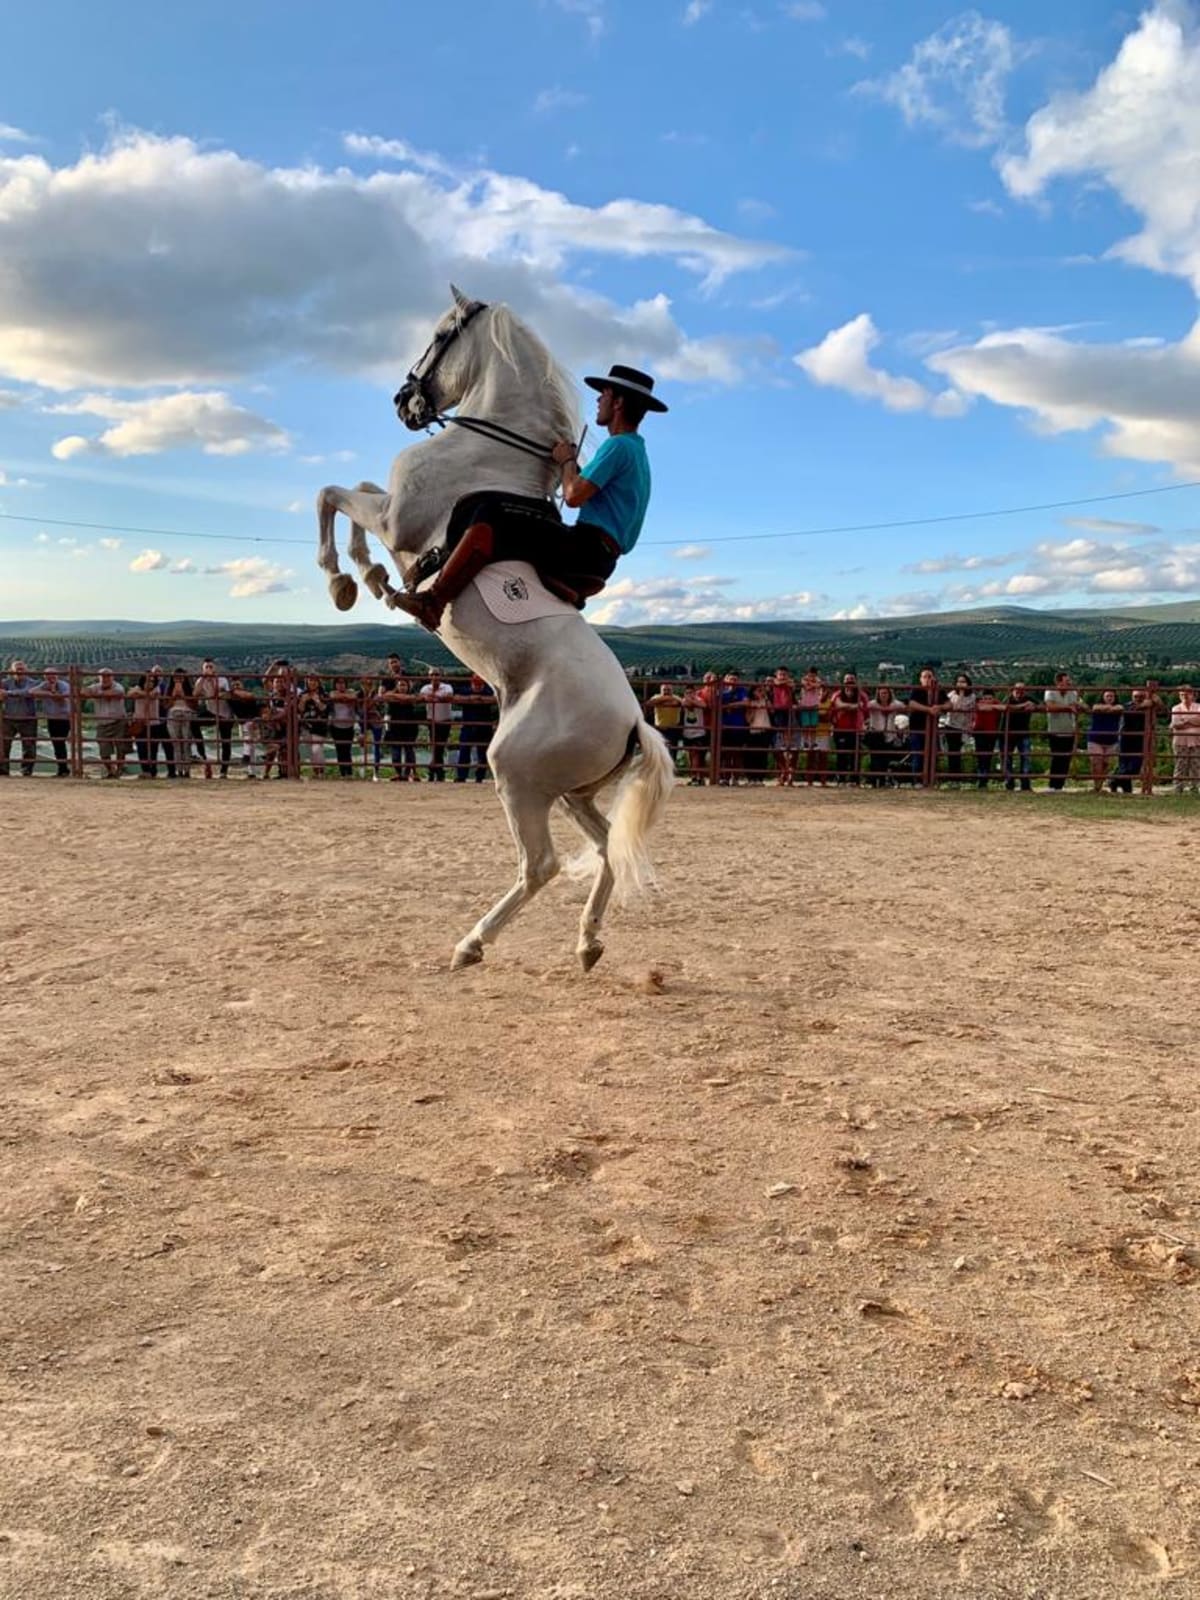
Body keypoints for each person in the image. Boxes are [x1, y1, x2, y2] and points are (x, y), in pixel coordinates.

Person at [391, 363, 667, 631]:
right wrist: (569, 468)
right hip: (601, 558)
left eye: (604, 394)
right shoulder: (636, 451)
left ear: (618, 403)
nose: (598, 399)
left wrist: (567, 460)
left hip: (585, 549)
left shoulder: (617, 446)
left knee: (490, 510)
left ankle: (433, 601)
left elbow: (573, 496)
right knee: (530, 513)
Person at [83, 668, 130, 779]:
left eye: (107, 676)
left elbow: (116, 693)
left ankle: (119, 770)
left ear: (112, 677)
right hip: (102, 722)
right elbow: (83, 692)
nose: (105, 678)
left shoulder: (118, 686)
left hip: (118, 721)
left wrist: (96, 694)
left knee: (121, 748)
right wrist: (96, 693)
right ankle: (110, 770)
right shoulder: (96, 686)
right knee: (103, 750)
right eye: (103, 676)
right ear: (99, 677)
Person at [906, 668, 948, 785]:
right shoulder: (917, 690)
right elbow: (911, 703)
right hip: (917, 728)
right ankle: (918, 780)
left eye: (930, 676)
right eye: (925, 676)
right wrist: (929, 710)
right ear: (920, 679)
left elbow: (950, 704)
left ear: (934, 678)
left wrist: (939, 707)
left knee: (933, 755)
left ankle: (931, 780)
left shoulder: (938, 691)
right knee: (918, 754)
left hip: (933, 729)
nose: (928, 679)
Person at [0, 659, 40, 777]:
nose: (19, 671)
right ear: (11, 671)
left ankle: (26, 771)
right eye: (16, 669)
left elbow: (28, 692)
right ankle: (3, 770)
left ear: (26, 670)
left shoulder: (32, 682)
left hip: (27, 718)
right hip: (8, 718)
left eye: (21, 669)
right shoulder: (5, 683)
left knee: (29, 746)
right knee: (4, 745)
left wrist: (8, 693)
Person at [454, 674, 497, 782]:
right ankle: (461, 776)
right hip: (468, 726)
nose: (477, 687)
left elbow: (495, 699)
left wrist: (480, 699)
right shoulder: (466, 690)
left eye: (479, 684)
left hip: (484, 726)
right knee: (464, 751)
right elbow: (455, 698)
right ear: (471, 683)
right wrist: (470, 698)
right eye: (475, 684)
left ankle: (480, 776)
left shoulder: (488, 690)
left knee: (482, 753)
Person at [830, 671, 868, 785]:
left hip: (856, 729)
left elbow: (864, 709)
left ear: (855, 681)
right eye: (847, 679)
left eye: (851, 679)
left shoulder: (862, 695)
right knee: (841, 754)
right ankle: (841, 778)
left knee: (855, 754)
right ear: (843, 681)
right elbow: (838, 704)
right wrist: (854, 706)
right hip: (840, 729)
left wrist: (847, 706)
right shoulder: (837, 694)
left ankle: (854, 779)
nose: (849, 681)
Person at [1044, 672, 1081, 791]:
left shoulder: (1073, 693)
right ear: (1058, 682)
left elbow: (1078, 704)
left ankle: (1059, 785)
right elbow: (1050, 707)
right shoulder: (1050, 692)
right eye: (1067, 681)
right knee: (1056, 758)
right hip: (1055, 731)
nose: (1069, 683)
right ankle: (1052, 785)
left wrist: (1082, 707)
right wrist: (1068, 707)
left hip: (1069, 730)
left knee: (1066, 759)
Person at [1110, 687, 1150, 795]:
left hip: (1141, 739)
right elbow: (1130, 711)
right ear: (1132, 697)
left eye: (1141, 696)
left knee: (1135, 766)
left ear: (1145, 696)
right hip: (1126, 738)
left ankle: (1115, 780)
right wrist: (1143, 706)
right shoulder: (1127, 706)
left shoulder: (1149, 706)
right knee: (1125, 764)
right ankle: (1124, 786)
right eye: (1136, 696)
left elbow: (1163, 712)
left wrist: (1155, 699)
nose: (1138, 698)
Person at [35, 667, 73, 778]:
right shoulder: (44, 685)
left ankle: (66, 769)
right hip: (52, 718)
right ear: (44, 676)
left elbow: (62, 698)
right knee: (57, 744)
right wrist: (48, 692)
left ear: (57, 675)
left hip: (64, 718)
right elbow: (32, 692)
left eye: (53, 674)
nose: (51, 677)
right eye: (48, 675)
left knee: (63, 743)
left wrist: (51, 692)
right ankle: (63, 769)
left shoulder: (64, 685)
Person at [381, 675, 419, 781]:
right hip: (395, 728)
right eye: (400, 685)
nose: (402, 687)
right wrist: (402, 697)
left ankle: (406, 774)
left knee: (409, 752)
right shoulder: (391, 695)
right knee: (396, 753)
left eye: (404, 685)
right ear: (396, 687)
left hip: (409, 727)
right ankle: (398, 772)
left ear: (408, 686)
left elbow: (415, 698)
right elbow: (385, 696)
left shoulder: (411, 695)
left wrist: (399, 697)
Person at [129, 669, 167, 779]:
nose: (149, 682)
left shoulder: (157, 688)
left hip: (154, 723)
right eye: (147, 680)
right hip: (140, 723)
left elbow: (153, 695)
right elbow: (131, 693)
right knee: (141, 747)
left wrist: (142, 694)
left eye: (151, 680)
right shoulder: (137, 688)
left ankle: (153, 770)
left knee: (153, 748)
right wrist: (144, 693)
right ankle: (145, 770)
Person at [419, 668, 455, 780]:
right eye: (432, 674)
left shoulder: (447, 687)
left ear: (440, 676)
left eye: (436, 674)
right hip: (432, 721)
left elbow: (449, 696)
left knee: (439, 746)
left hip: (444, 720)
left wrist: (435, 697)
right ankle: (438, 771)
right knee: (436, 747)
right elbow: (421, 697)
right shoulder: (425, 688)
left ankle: (433, 769)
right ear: (429, 676)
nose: (434, 677)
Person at [865, 685, 904, 786]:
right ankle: (874, 781)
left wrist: (889, 707)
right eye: (881, 693)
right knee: (875, 758)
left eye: (886, 693)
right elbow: (867, 705)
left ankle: (882, 781)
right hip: (876, 735)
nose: (883, 695)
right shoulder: (873, 703)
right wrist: (882, 708)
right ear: (878, 694)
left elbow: (902, 706)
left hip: (889, 735)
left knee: (885, 759)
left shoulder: (894, 703)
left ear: (890, 694)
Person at [1002, 681, 1037, 792]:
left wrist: (1034, 706)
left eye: (1022, 690)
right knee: (1006, 758)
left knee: (1025, 757)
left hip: (1023, 733)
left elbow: (1042, 705)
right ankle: (1009, 781)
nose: (1019, 692)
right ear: (1013, 689)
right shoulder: (1007, 698)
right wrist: (1024, 705)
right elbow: (1006, 707)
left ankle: (1025, 782)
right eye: (1017, 689)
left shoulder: (1029, 698)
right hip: (1007, 733)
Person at [1086, 689, 1122, 793]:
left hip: (1111, 740)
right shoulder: (1097, 706)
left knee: (1106, 764)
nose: (1110, 698)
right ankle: (1096, 786)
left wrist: (1109, 708)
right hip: (1095, 739)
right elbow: (1096, 707)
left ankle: (1099, 786)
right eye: (1107, 696)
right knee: (1097, 762)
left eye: (1112, 696)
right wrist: (1110, 708)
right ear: (1102, 697)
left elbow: (1120, 707)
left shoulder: (1119, 707)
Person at [163, 669, 197, 778]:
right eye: (176, 678)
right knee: (176, 744)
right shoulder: (168, 690)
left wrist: (184, 696)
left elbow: (195, 706)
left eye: (181, 678)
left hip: (187, 714)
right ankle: (179, 770)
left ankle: (187, 770)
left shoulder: (190, 690)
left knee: (186, 743)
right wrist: (173, 697)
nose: (179, 680)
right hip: (173, 715)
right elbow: (165, 706)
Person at [944, 673, 976, 784]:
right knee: (952, 752)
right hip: (952, 726)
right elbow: (957, 708)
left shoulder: (972, 696)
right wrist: (961, 694)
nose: (961, 684)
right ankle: (953, 777)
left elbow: (969, 711)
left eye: (963, 681)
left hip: (964, 727)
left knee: (959, 752)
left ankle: (958, 776)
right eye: (959, 681)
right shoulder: (951, 695)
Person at [718, 670, 748, 784]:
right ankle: (724, 777)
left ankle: (735, 777)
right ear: (726, 679)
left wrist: (728, 705)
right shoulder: (721, 691)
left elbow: (746, 702)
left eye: (735, 679)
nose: (733, 681)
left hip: (738, 726)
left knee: (736, 753)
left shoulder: (742, 690)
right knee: (724, 753)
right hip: (724, 726)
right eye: (731, 679)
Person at [297, 674, 329, 777]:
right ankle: (316, 772)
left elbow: (325, 710)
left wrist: (317, 701)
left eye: (315, 680)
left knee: (317, 748)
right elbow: (299, 710)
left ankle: (322, 771)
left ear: (318, 682)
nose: (312, 682)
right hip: (306, 725)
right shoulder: (302, 694)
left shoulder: (324, 694)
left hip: (319, 725)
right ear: (307, 682)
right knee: (311, 751)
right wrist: (303, 701)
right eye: (310, 680)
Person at [327, 677, 360, 778]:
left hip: (349, 725)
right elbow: (333, 696)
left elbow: (354, 697)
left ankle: (349, 773)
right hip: (336, 725)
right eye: (338, 683)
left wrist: (342, 698)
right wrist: (346, 698)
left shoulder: (351, 691)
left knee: (347, 749)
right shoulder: (332, 692)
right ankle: (343, 773)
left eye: (342, 683)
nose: (341, 685)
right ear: (335, 685)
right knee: (339, 750)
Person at [644, 684, 683, 769]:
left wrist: (660, 701)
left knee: (672, 750)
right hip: (659, 728)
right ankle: (659, 769)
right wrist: (667, 698)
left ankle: (670, 770)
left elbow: (677, 703)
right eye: (664, 690)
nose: (666, 692)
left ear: (672, 690)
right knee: (658, 750)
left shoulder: (677, 697)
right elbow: (650, 703)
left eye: (668, 690)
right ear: (661, 690)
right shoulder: (656, 696)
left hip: (673, 728)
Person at [769, 667, 797, 787]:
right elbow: (772, 682)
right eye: (780, 674)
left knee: (790, 746)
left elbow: (792, 684)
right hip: (777, 713)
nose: (783, 676)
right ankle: (783, 771)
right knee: (777, 746)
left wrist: (784, 682)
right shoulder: (774, 683)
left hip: (789, 713)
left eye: (785, 674)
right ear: (776, 675)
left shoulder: (790, 684)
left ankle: (788, 773)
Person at [1170, 684, 1200, 794]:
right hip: (1180, 741)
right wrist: (1193, 721)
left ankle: (1194, 788)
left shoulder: (1198, 706)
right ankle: (1178, 788)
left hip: (1197, 740)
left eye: (1187, 694)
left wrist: (1184, 721)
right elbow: (1175, 723)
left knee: (1196, 764)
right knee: (1180, 764)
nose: (1185, 696)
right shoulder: (1176, 708)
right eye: (1182, 694)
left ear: (1193, 695)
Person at [228, 677, 261, 777]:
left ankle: (247, 759)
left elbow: (250, 696)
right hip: (242, 723)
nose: (236, 687)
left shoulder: (247, 695)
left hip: (253, 722)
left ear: (242, 685)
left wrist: (234, 692)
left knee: (249, 742)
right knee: (250, 746)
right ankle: (252, 771)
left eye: (238, 684)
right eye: (234, 685)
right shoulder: (232, 699)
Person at [972, 685, 1002, 788]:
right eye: (985, 698)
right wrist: (993, 706)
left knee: (988, 756)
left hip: (991, 734)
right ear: (982, 698)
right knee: (981, 756)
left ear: (993, 698)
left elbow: (1005, 707)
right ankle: (981, 778)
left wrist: (992, 706)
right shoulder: (979, 703)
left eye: (990, 698)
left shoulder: (996, 703)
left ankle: (984, 779)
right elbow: (980, 707)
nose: (987, 700)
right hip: (979, 733)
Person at [743, 682, 774, 782]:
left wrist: (765, 698)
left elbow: (772, 711)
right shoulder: (750, 703)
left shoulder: (765, 701)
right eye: (758, 690)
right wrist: (753, 709)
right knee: (752, 754)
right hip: (753, 731)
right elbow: (748, 720)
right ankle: (751, 777)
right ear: (753, 692)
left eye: (761, 690)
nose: (760, 692)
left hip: (765, 730)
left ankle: (760, 777)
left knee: (762, 755)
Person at [679, 685, 709, 784]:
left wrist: (691, 700)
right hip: (687, 733)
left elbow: (703, 705)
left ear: (695, 692)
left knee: (696, 754)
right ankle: (695, 776)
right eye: (687, 693)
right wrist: (689, 700)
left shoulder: (699, 699)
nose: (689, 695)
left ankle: (696, 776)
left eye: (691, 692)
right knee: (691, 756)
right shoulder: (684, 700)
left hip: (699, 732)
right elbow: (684, 704)